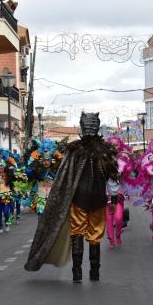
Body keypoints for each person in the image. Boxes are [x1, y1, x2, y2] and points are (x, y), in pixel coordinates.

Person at [25, 112, 119, 283]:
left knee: (78, 233)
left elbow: (64, 177)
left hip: (78, 200)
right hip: (98, 200)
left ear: (82, 128)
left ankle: (77, 273)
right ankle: (94, 273)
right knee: (95, 235)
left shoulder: (74, 149)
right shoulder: (105, 150)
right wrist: (114, 199)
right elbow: (113, 179)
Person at [105, 136, 133, 247]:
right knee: (109, 218)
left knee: (118, 218)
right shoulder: (103, 159)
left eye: (116, 145)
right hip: (106, 194)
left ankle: (118, 235)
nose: (114, 147)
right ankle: (111, 239)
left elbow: (129, 172)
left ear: (119, 146)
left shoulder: (123, 160)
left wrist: (130, 160)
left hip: (118, 194)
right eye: (111, 145)